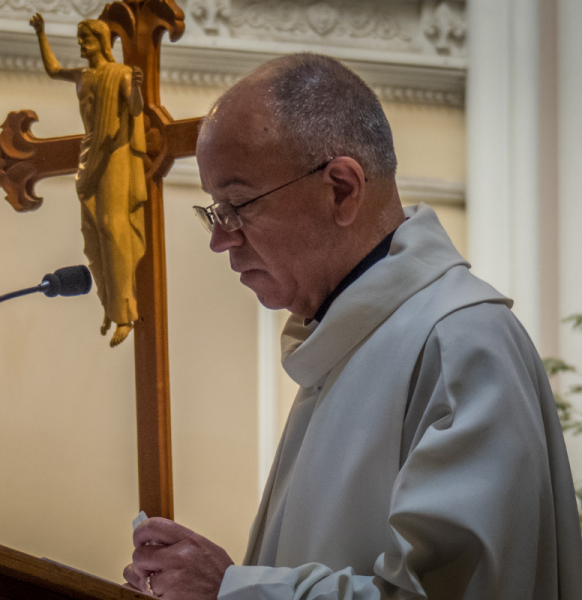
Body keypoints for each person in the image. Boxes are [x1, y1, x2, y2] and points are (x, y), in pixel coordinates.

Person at [124, 53, 582, 599]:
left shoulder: (460, 343)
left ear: (341, 188)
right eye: (215, 211)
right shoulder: (348, 346)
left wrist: (232, 589)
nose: (220, 238)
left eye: (237, 204)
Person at [30, 14, 148, 347]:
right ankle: (110, 306)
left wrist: (137, 86)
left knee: (113, 227)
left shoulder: (120, 75)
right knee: (93, 230)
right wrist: (41, 34)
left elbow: (136, 110)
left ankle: (126, 311)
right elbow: (53, 69)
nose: (82, 45)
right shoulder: (83, 76)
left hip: (114, 154)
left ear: (103, 42)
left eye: (87, 39)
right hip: (90, 154)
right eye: (80, 39)